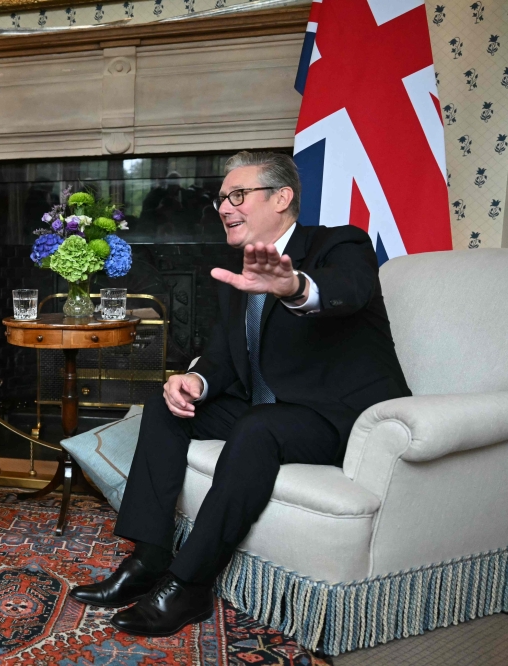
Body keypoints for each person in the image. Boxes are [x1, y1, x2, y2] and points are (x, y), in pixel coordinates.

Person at [69, 151, 410, 636]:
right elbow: (224, 358)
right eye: (221, 199)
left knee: (257, 427)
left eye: (238, 195)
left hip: (341, 416)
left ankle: (188, 586)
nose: (225, 207)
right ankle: (148, 557)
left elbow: (344, 292)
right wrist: (196, 381)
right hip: (271, 410)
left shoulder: (339, 244)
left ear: (282, 197)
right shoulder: (236, 277)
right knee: (164, 408)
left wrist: (292, 287)